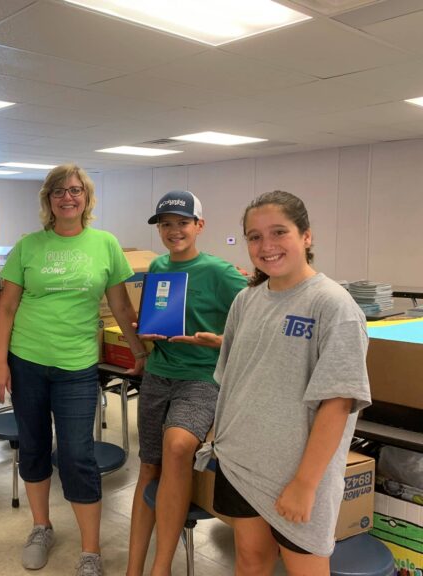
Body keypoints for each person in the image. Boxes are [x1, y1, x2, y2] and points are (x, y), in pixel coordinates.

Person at [0, 164, 148, 576]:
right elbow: (6, 307)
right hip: (27, 361)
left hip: (78, 366)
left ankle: (90, 552)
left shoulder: (105, 244)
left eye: (75, 190)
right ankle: (41, 527)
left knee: (78, 455)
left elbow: (120, 305)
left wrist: (137, 351)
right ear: (48, 199)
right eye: (59, 191)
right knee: (34, 445)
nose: (67, 197)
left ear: (86, 198)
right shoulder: (28, 246)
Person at [208, 190, 371, 575]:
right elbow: (232, 378)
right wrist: (218, 441)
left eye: (279, 232)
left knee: (306, 568)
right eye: (254, 236)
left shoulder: (333, 305)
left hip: (297, 472)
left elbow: (338, 402)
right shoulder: (246, 301)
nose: (266, 246)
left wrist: (305, 483)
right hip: (241, 462)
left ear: (306, 236)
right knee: (250, 560)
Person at [127, 190, 247, 576]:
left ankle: (161, 568)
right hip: (159, 374)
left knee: (177, 446)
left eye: (182, 223)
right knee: (148, 466)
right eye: (166, 224)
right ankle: (133, 569)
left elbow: (254, 326)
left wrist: (219, 341)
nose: (173, 230)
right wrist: (145, 331)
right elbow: (160, 315)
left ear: (199, 226)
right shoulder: (159, 267)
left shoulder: (222, 273)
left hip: (201, 377)